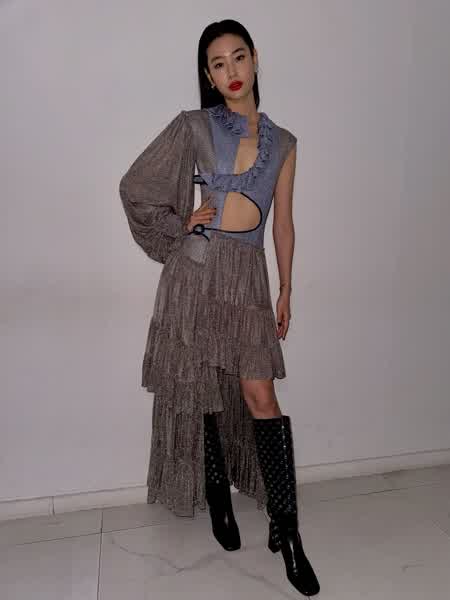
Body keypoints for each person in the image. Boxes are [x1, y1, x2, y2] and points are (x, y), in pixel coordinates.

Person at [119, 18, 320, 597]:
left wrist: (286, 288)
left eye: (238, 57)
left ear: (255, 60)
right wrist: (182, 222)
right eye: (217, 64)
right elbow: (136, 186)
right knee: (204, 384)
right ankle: (216, 495)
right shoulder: (195, 126)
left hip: (248, 278)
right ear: (208, 76)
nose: (230, 71)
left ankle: (287, 530)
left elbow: (282, 222)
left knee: (261, 396)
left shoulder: (285, 143)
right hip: (198, 271)